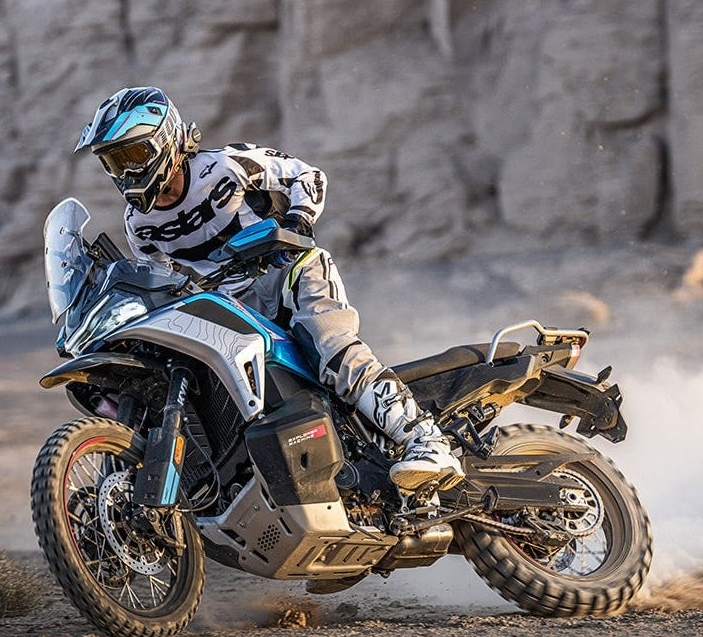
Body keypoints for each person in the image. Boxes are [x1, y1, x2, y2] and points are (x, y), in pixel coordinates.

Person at [75, 85, 462, 491]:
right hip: (229, 308)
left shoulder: (225, 166)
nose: (126, 172)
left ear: (166, 140)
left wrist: (297, 222)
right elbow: (159, 281)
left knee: (332, 350)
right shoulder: (139, 224)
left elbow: (308, 176)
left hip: (288, 272)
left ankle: (427, 442)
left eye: (133, 155)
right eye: (114, 162)